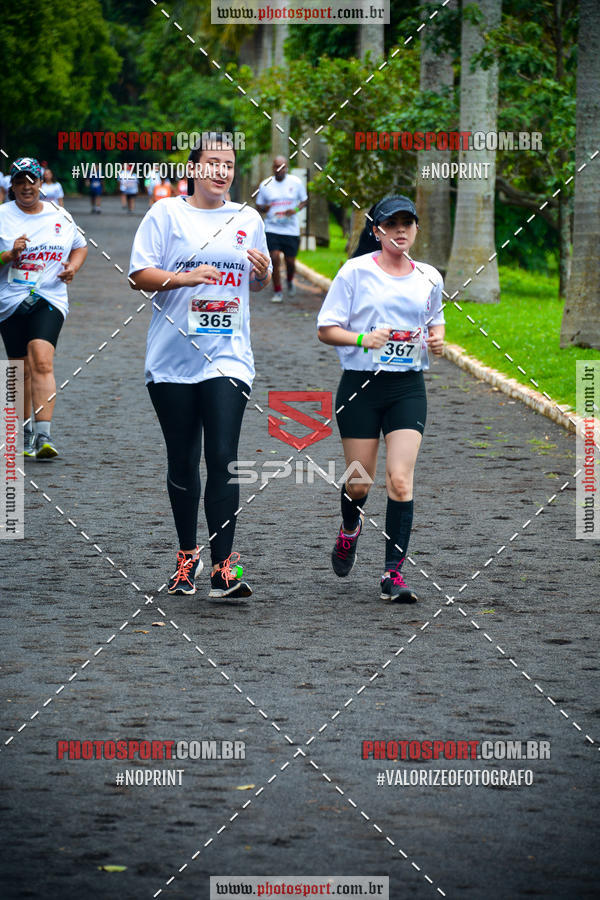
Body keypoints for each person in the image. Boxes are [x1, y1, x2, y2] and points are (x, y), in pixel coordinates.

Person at [129, 135, 272, 599]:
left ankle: (223, 568)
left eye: (228, 164)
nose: (221, 171)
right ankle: (187, 557)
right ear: (193, 168)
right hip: (172, 359)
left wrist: (263, 273)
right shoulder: (165, 214)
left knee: (223, 456)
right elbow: (138, 275)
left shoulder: (247, 219)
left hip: (229, 357)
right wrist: (185, 278)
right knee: (184, 458)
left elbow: (256, 280)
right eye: (212, 162)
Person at [317, 195, 445, 603]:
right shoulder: (355, 272)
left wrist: (437, 339)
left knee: (401, 480)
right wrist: (362, 338)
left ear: (416, 229)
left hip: (407, 387)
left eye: (408, 223)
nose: (400, 230)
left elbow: (435, 321)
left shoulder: (429, 277)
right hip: (360, 386)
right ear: (377, 231)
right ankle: (349, 529)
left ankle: (393, 574)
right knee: (359, 482)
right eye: (391, 224)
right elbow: (325, 328)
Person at [0, 157, 88, 458]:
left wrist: (73, 268)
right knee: (19, 368)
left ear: (41, 183)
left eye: (32, 181)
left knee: (41, 360)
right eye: (20, 181)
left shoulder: (59, 214)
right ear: (12, 186)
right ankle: (23, 432)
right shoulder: (2, 216)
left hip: (49, 297)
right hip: (10, 301)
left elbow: (80, 246)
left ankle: (44, 435)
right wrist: (9, 254)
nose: (26, 187)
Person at [255, 156, 307, 302]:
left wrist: (295, 210)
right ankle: (277, 291)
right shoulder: (265, 184)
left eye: (282, 167)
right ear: (272, 168)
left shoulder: (296, 182)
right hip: (272, 228)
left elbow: (304, 200)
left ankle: (290, 280)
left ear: (287, 168)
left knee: (290, 262)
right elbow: (259, 205)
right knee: (275, 258)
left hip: (291, 229)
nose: (279, 169)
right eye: (277, 166)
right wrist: (264, 208)